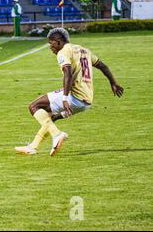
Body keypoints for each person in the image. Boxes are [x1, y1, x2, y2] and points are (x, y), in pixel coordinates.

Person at [15, 28, 124, 156]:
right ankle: (33, 146)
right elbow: (103, 66)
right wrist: (113, 83)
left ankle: (57, 135)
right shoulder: (84, 50)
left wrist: (65, 98)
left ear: (58, 41)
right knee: (50, 117)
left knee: (34, 106)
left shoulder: (63, 52)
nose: (50, 47)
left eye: (51, 43)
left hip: (74, 97)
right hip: (87, 101)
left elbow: (68, 74)